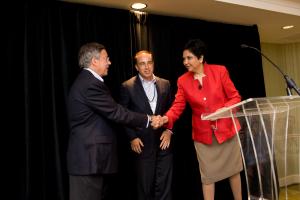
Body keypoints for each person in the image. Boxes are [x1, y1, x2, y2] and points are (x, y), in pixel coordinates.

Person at [67, 42, 163, 200]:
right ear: (94, 61)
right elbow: (116, 112)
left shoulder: (89, 82)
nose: (109, 62)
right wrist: (148, 119)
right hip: (88, 161)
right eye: (106, 58)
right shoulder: (89, 84)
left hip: (91, 161)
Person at [162, 39, 243, 200]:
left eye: (189, 58)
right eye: (184, 59)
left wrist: (224, 109)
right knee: (207, 177)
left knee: (233, 171)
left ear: (200, 58)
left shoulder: (220, 71)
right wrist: (166, 118)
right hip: (203, 136)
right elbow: (178, 106)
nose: (185, 62)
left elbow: (235, 97)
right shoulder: (183, 81)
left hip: (227, 131)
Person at [119, 50, 173, 200]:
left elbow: (172, 111)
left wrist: (169, 130)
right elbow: (123, 116)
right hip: (142, 143)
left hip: (164, 143)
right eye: (142, 64)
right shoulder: (127, 86)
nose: (147, 67)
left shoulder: (165, 84)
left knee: (164, 186)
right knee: (145, 186)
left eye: (149, 63)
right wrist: (132, 138)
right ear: (137, 67)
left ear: (153, 64)